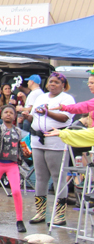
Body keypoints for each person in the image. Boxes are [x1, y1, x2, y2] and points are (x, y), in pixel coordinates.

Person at [28, 72, 76, 225]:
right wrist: (25, 116)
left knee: (57, 177)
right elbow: (33, 116)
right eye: (50, 82)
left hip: (55, 142)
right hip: (37, 141)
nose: (52, 84)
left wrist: (48, 112)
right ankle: (40, 212)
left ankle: (60, 215)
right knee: (40, 177)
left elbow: (65, 118)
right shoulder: (41, 97)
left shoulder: (67, 99)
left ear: (63, 85)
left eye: (56, 82)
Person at [0, 105, 27, 233]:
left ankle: (19, 220)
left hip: (12, 164)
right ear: (1, 115)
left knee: (16, 191)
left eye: (11, 113)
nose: (8, 114)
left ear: (15, 117)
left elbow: (20, 145)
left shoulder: (17, 131)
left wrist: (24, 152)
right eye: (6, 112)